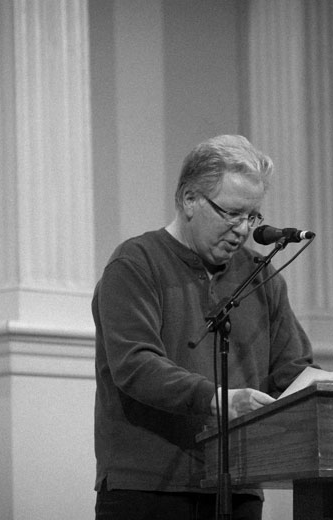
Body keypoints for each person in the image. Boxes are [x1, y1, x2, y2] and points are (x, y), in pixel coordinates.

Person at [92, 135, 316, 520]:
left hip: (238, 486)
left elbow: (292, 372)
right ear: (189, 200)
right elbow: (135, 364)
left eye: (252, 216)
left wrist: (332, 391)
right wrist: (218, 399)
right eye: (232, 213)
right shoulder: (135, 264)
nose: (243, 229)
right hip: (148, 488)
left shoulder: (262, 276)